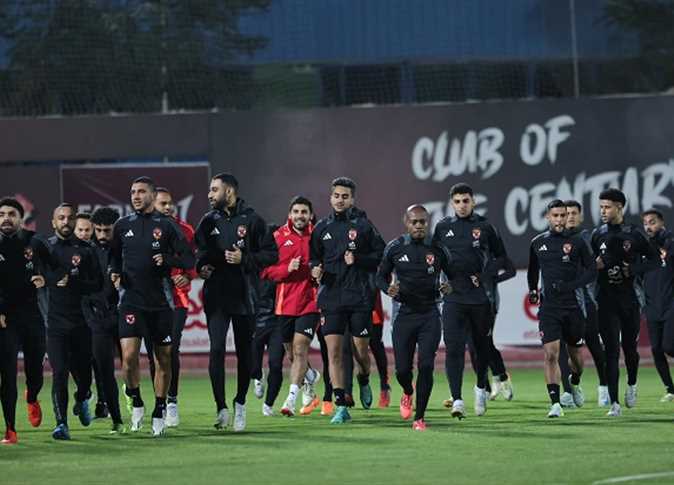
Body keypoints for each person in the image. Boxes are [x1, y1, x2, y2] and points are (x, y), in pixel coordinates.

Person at [110, 176, 195, 436]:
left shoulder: (167, 225)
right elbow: (113, 258)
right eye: (133, 192)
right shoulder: (122, 225)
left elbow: (189, 258)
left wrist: (168, 259)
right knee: (128, 358)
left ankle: (159, 409)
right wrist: (114, 273)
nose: (136, 196)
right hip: (131, 301)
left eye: (141, 192)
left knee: (163, 359)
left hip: (160, 302)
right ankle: (136, 400)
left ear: (151, 195)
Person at [195, 173, 277, 432]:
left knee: (245, 352)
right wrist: (201, 268)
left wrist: (245, 258)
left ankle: (240, 403)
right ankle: (221, 408)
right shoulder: (208, 221)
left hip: (246, 297)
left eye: (214, 189)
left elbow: (271, 254)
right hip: (217, 297)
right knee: (217, 349)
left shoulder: (253, 220)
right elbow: (199, 252)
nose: (210, 194)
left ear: (229, 191)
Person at [310, 177, 385, 424]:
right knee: (334, 353)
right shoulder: (321, 228)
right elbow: (314, 258)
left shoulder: (363, 226)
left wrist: (359, 259)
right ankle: (341, 405)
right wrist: (314, 269)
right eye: (336, 196)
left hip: (359, 297)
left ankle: (364, 378)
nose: (340, 200)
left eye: (345, 196)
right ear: (330, 198)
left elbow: (382, 255)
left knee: (361, 351)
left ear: (352, 199)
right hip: (330, 297)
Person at [432, 183, 510, 419]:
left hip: (479, 298)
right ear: (452, 203)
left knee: (481, 348)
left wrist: (484, 276)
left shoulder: (485, 226)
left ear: (473, 202)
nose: (462, 205)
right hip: (453, 298)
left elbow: (502, 258)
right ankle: (457, 399)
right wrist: (436, 284)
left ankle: (480, 389)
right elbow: (433, 260)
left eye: (466, 201)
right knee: (453, 349)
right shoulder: (442, 227)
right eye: (457, 201)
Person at [376, 204, 452, 430]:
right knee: (402, 370)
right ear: (406, 223)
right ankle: (408, 391)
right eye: (414, 222)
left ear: (428, 223)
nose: (419, 225)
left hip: (430, 314)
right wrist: (387, 289)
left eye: (422, 222)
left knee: (426, 365)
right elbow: (380, 277)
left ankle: (420, 417)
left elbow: (454, 275)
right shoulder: (395, 247)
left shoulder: (438, 248)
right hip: (404, 315)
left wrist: (450, 286)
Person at [591, 188, 659, 417]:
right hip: (605, 300)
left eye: (607, 207)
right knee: (611, 351)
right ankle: (614, 403)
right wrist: (594, 267)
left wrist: (634, 269)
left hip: (629, 299)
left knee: (629, 349)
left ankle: (632, 383)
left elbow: (655, 261)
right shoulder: (597, 234)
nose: (602, 211)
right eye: (601, 207)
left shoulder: (634, 234)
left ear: (619, 207)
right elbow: (588, 265)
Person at [527, 199, 596, 418]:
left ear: (567, 217)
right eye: (555, 216)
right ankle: (555, 403)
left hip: (573, 307)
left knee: (575, 356)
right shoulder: (538, 242)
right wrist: (533, 290)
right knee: (551, 354)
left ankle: (575, 381)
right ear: (548, 217)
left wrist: (570, 286)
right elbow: (532, 271)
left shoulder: (577, 242)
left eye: (562, 215)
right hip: (549, 308)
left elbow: (592, 271)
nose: (559, 219)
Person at [44, 203, 102, 439]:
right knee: (59, 373)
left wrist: (75, 282)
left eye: (69, 218)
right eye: (61, 217)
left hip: (81, 323)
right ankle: (61, 424)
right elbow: (33, 276)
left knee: (84, 377)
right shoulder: (45, 249)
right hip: (55, 325)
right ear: (53, 222)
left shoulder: (86, 250)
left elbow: (98, 284)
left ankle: (83, 396)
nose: (65, 222)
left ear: (75, 220)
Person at [262, 197, 321, 418]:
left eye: (304, 212)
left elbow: (331, 262)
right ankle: (310, 375)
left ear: (310, 215)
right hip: (284, 304)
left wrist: (321, 272)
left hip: (310, 302)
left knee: (299, 349)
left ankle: (291, 399)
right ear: (289, 214)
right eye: (296, 211)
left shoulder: (318, 236)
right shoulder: (277, 237)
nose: (300, 216)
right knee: (292, 354)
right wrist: (286, 269)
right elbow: (265, 271)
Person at [0, 197, 48, 444]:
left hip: (32, 316)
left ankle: (32, 396)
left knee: (35, 371)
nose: (5, 218)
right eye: (1, 214)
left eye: (11, 214)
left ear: (21, 218)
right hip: (5, 319)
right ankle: (10, 429)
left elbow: (56, 266)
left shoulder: (34, 241)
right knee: (7, 373)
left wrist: (45, 278)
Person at [557, 200, 609, 408]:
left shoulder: (589, 237)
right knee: (561, 348)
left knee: (594, 344)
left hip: (587, 300)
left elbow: (601, 262)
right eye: (566, 213)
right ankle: (568, 391)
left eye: (573, 213)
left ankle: (604, 386)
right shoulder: (554, 239)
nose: (569, 217)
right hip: (562, 302)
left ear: (580, 216)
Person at [153, 187, 197, 427]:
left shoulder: (186, 230)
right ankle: (156, 402)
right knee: (155, 352)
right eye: (163, 203)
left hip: (178, 299)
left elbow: (194, 262)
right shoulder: (144, 229)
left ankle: (171, 401)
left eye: (170, 203)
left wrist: (188, 276)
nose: (168, 207)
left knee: (171, 350)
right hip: (149, 297)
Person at [81, 207, 125, 432]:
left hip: (126, 315)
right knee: (105, 369)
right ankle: (116, 419)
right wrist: (90, 315)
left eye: (107, 231)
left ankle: (135, 397)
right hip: (99, 319)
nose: (101, 235)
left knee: (131, 364)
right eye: (97, 230)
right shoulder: (86, 253)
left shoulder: (127, 249)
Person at [74, 212, 110, 419]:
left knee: (98, 360)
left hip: (95, 313)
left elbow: (103, 283)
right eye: (80, 229)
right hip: (71, 313)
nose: (84, 233)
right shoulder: (64, 251)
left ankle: (102, 402)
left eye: (88, 230)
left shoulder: (99, 252)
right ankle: (84, 391)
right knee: (73, 359)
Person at [641, 209, 674, 402]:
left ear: (661, 223)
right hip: (652, 304)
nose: (648, 226)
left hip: (671, 302)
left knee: (669, 346)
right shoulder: (645, 248)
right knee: (656, 349)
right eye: (646, 223)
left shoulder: (670, 242)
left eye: (652, 222)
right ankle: (670, 389)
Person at [251, 244, 285, 416]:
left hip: (278, 322)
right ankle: (257, 376)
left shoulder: (281, 268)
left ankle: (268, 404)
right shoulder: (251, 269)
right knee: (252, 366)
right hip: (256, 321)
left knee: (276, 364)